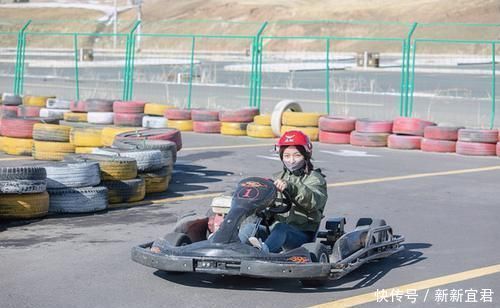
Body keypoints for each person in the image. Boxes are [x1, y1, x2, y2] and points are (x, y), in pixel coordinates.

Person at [238, 130, 328, 253]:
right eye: (287, 156)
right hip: (274, 232)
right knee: (250, 227)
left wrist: (291, 187)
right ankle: (232, 250)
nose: (291, 160)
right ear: (281, 157)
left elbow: (313, 202)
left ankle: (264, 253)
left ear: (306, 155)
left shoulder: (315, 178)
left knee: (282, 228)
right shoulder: (278, 177)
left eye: (297, 155)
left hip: (301, 234)